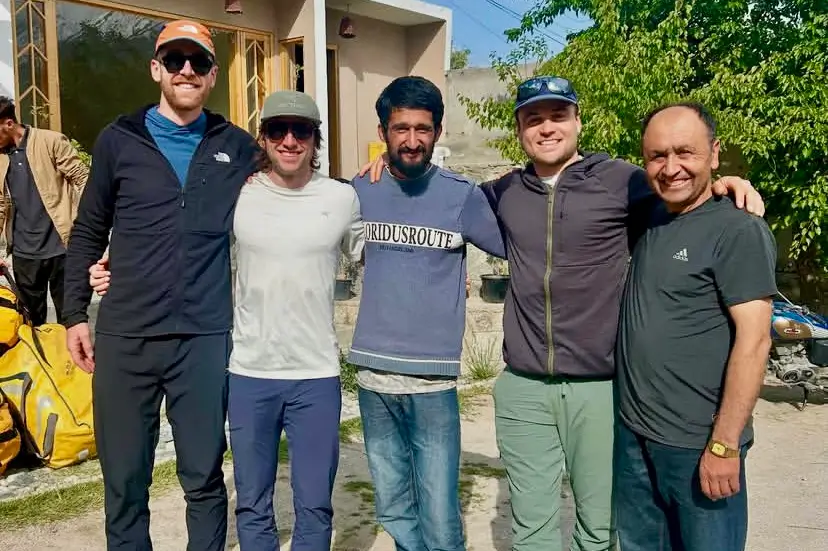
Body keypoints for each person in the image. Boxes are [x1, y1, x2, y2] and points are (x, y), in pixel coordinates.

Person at [360, 75, 764, 551]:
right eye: (534, 119)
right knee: (531, 531)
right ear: (519, 130)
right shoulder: (504, 191)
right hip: (524, 387)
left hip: (599, 387)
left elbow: (681, 194)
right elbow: (435, 192)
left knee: (597, 530)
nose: (547, 128)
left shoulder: (623, 182)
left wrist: (724, 185)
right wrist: (388, 166)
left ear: (577, 121)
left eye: (558, 116)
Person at [62, 20, 259, 550]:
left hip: (202, 337)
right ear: (156, 69)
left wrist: (381, 168)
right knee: (125, 481)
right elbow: (88, 229)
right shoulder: (118, 140)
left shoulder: (236, 146)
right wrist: (74, 314)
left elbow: (294, 170)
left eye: (198, 62)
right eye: (175, 60)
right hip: (126, 336)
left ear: (213, 75)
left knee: (204, 476)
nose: (186, 71)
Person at [349, 76, 505, 551]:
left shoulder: (461, 195)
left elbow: (519, 244)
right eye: (401, 128)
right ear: (383, 131)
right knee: (393, 509)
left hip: (432, 383)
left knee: (438, 515)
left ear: (437, 132)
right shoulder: (360, 190)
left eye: (423, 129)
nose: (412, 140)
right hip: (373, 378)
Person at [614, 102, 776, 551]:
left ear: (715, 153)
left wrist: (724, 445)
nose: (671, 168)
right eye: (657, 156)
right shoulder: (652, 216)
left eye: (685, 152)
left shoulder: (737, 230)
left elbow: (754, 342)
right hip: (634, 437)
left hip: (697, 444)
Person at [0, 97, 88, 325]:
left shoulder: (50, 141)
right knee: (31, 323)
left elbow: (83, 178)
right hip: (24, 254)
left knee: (71, 320)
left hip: (63, 248)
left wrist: (87, 225)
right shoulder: (0, 158)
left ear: (8, 123)